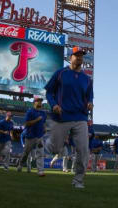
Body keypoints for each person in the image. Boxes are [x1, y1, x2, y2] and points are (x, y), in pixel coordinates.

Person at [44, 46, 93, 189]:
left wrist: (90, 103)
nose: (79, 57)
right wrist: (53, 105)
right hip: (62, 116)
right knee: (54, 149)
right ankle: (47, 143)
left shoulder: (87, 79)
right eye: (76, 55)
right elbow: (49, 93)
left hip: (80, 117)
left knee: (83, 150)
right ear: (69, 57)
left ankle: (78, 180)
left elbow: (90, 97)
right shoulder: (61, 73)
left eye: (81, 55)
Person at [17, 97, 47, 176]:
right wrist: (37, 120)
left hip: (39, 136)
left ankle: (40, 171)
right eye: (38, 101)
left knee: (40, 153)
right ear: (34, 102)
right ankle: (20, 164)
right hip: (30, 136)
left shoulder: (43, 113)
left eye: (41, 101)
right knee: (26, 153)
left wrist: (44, 128)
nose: (40, 102)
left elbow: (43, 123)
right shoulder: (30, 112)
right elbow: (26, 124)